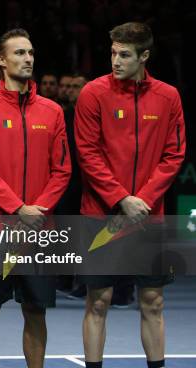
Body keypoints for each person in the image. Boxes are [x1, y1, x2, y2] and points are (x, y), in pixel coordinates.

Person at [75, 22, 185, 368]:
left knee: (153, 301)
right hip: (101, 214)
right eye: (113, 53)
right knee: (98, 301)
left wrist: (145, 199)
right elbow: (87, 153)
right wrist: (122, 198)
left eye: (124, 55)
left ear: (144, 56)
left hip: (150, 217)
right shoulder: (93, 93)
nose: (116, 61)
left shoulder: (169, 96)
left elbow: (174, 153)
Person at [0, 29, 71, 368]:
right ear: (1, 60)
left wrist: (36, 211)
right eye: (19, 53)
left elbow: (63, 169)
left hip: (39, 228)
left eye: (30, 53)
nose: (27, 59)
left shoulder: (53, 111)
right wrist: (18, 208)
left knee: (35, 311)